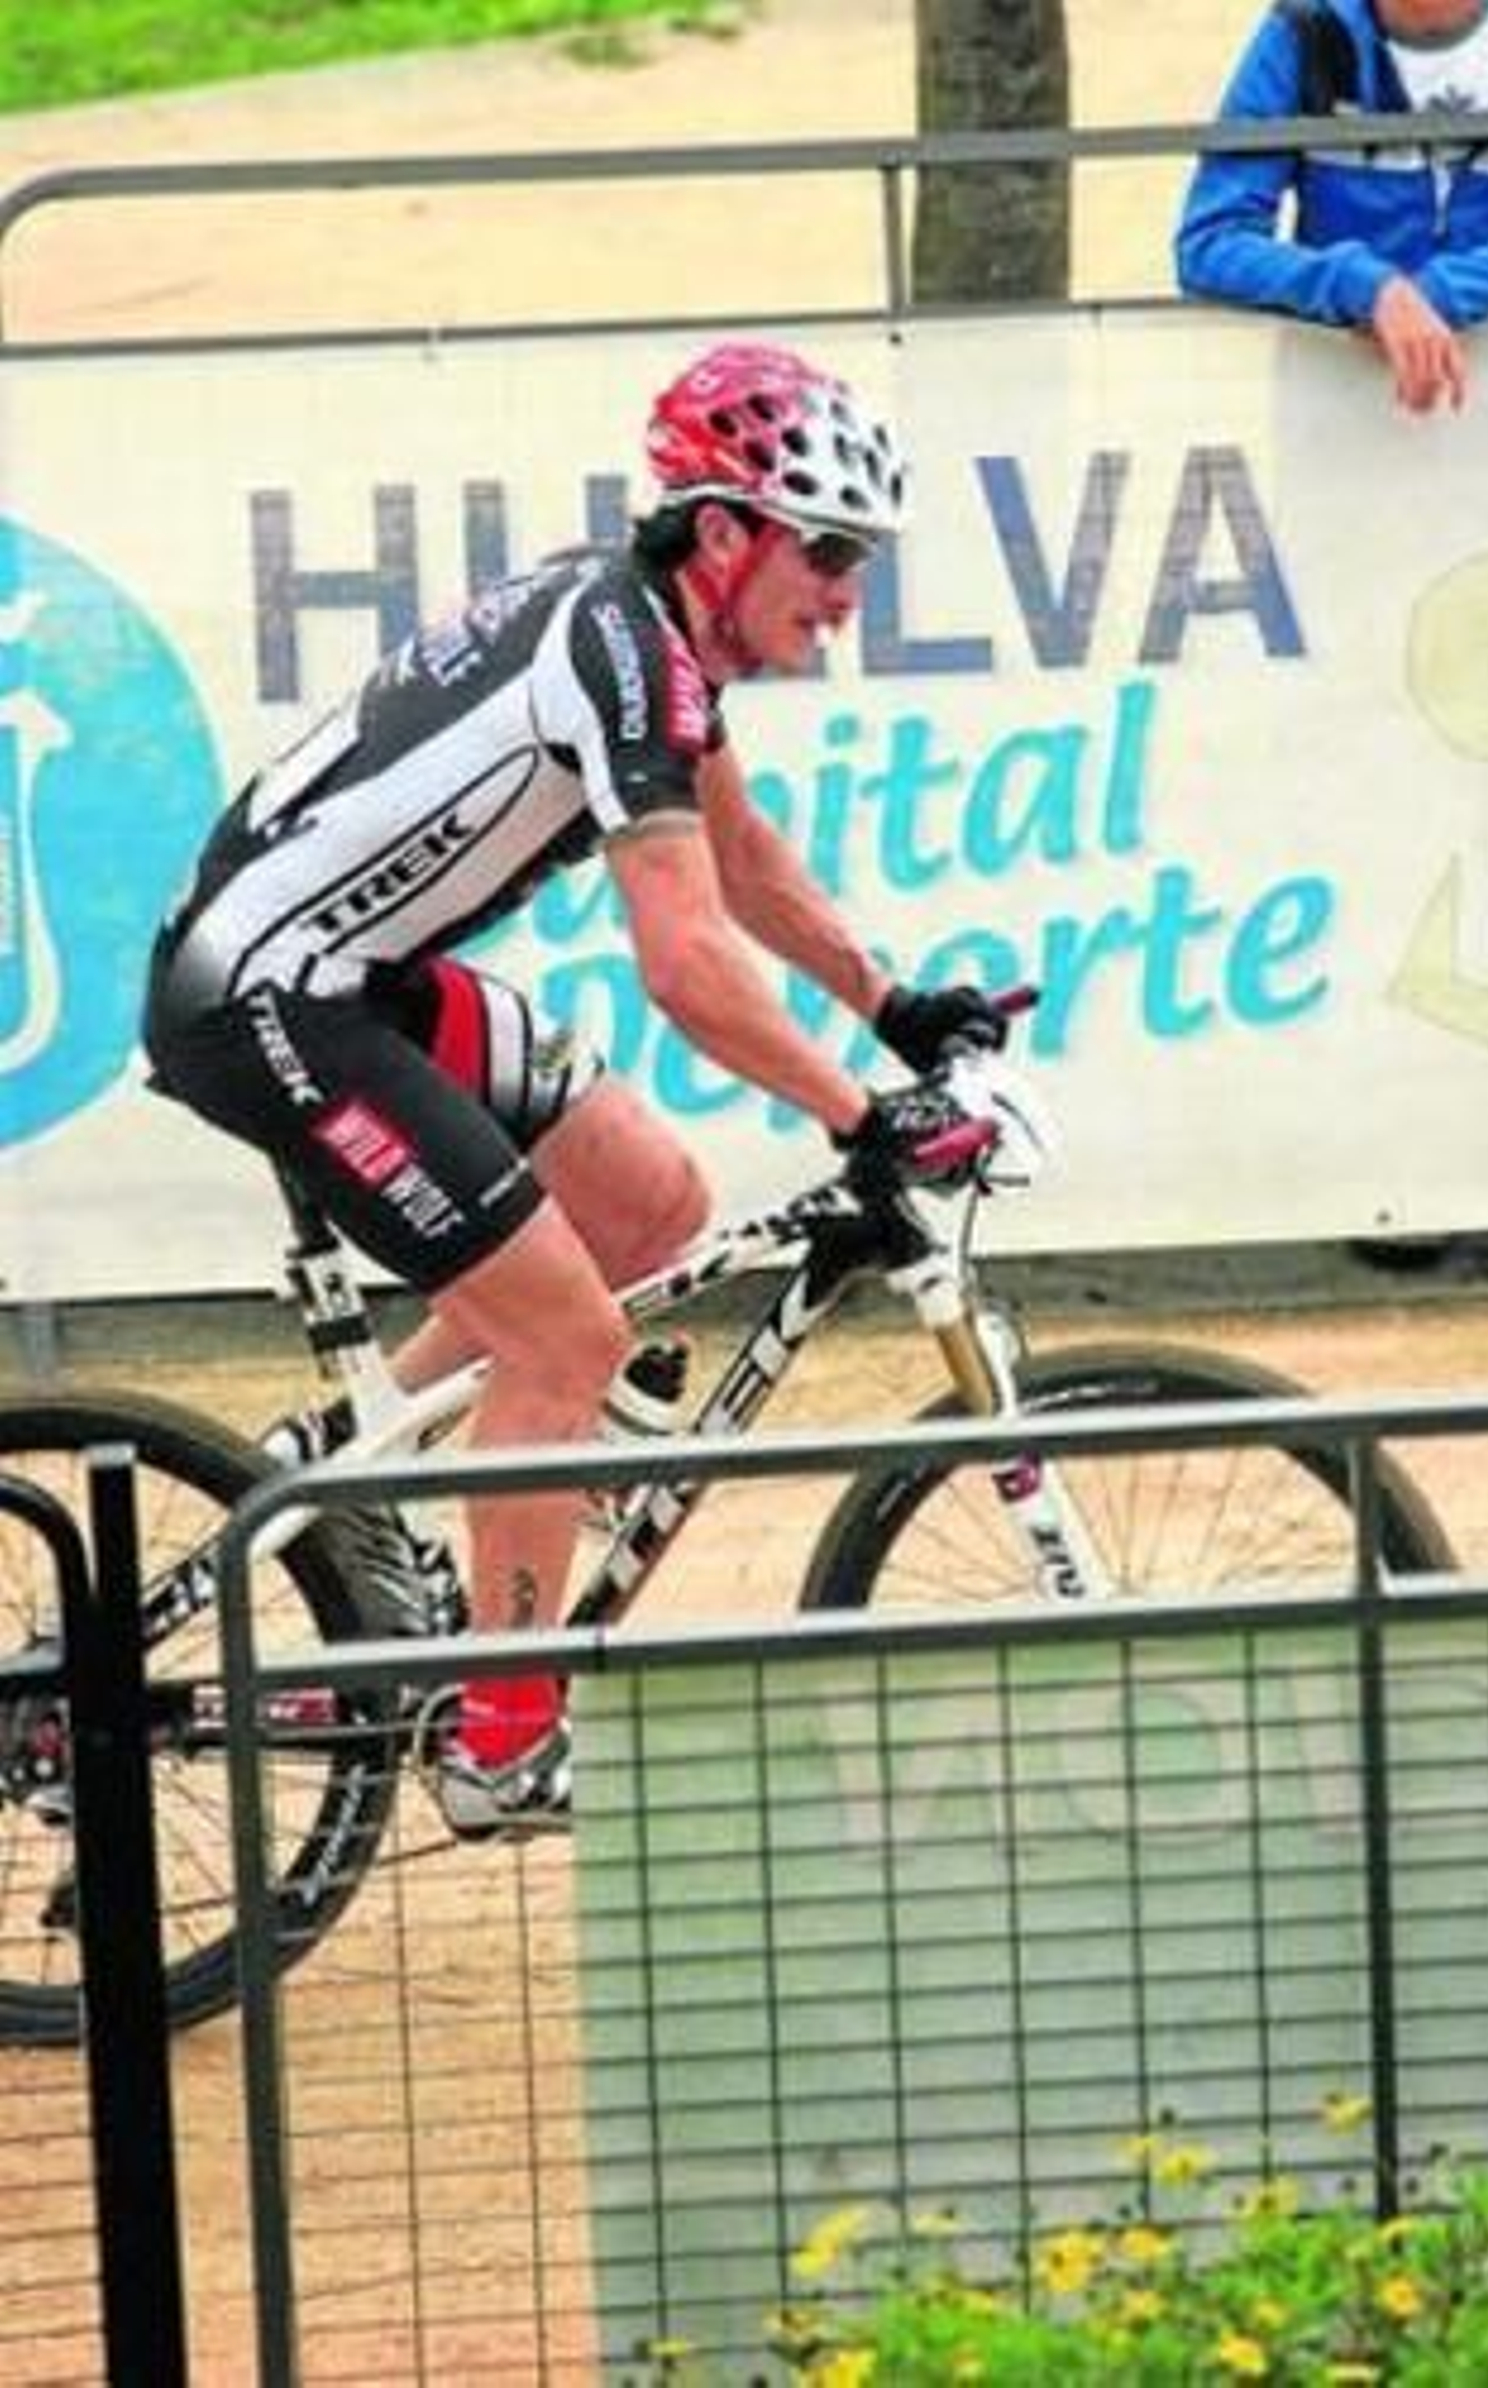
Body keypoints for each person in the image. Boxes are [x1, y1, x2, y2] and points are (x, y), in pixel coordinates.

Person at [143, 341, 1012, 1838]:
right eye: (825, 550)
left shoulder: (653, 645)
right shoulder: (620, 651)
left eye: (862, 558)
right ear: (724, 532)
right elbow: (684, 963)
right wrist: (863, 1116)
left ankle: (354, 1474)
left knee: (651, 1200)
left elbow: (744, 866)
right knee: (567, 1332)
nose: (847, 591)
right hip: (266, 996)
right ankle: (496, 1740)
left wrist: (893, 1004)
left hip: (358, 975)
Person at [1175, 0, 1488, 414]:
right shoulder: (1306, 29)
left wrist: (1451, 290)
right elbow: (1210, 243)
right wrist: (1366, 289)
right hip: (1340, 422)